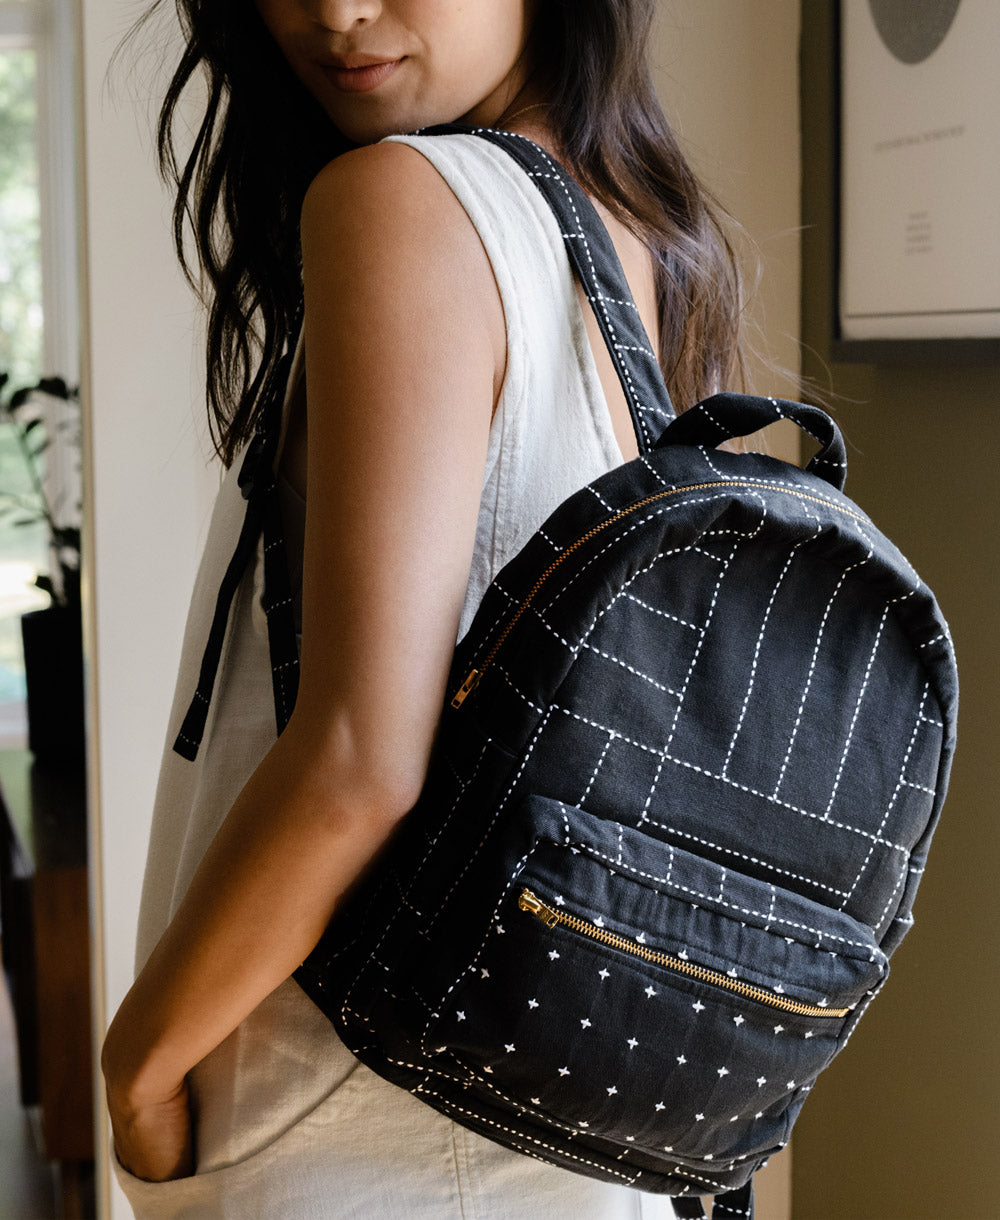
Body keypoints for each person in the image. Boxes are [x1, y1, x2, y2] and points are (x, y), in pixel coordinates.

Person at [101, 0, 747, 1215]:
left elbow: (358, 759)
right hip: (557, 1113)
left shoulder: (401, 202)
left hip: (356, 1109)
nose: (336, 11)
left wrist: (138, 1065)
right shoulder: (629, 235)